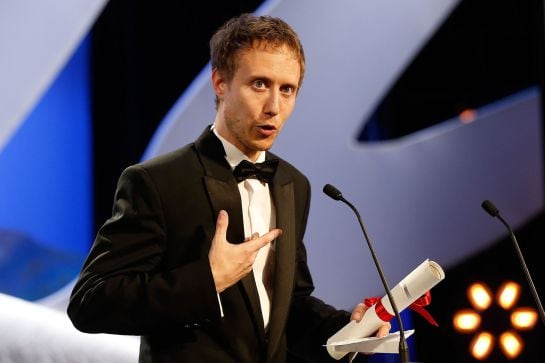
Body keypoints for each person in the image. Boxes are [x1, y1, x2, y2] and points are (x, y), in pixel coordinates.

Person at [67, 13, 390, 363]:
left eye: (287, 89)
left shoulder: (293, 184)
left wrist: (348, 329)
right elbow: (89, 302)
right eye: (259, 84)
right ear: (220, 83)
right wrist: (206, 280)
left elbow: (288, 304)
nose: (274, 107)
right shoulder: (157, 181)